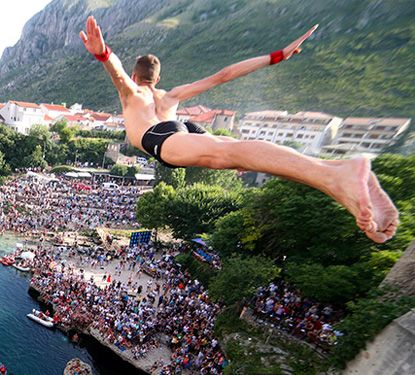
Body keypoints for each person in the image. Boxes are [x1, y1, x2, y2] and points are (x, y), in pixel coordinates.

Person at [80, 16, 399, 243]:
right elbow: (223, 76)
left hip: (159, 138)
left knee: (229, 154)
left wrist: (103, 55)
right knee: (240, 157)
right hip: (180, 128)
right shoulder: (170, 95)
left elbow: (117, 73)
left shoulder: (132, 94)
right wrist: (275, 57)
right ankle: (335, 176)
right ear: (157, 78)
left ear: (137, 77)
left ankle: (339, 175)